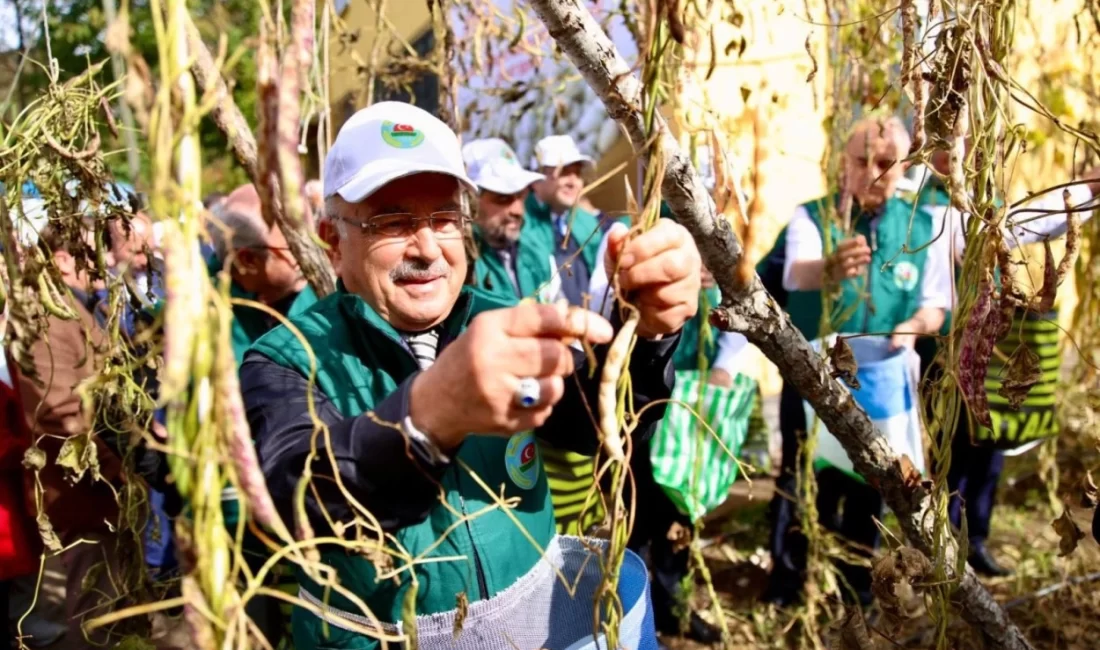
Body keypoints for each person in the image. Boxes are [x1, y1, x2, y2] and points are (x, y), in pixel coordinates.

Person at [240, 101, 702, 649]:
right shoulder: (285, 357)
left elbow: (596, 428)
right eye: (392, 222)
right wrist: (424, 419)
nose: (428, 248)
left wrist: (645, 335)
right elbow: (293, 495)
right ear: (333, 241)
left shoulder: (497, 315)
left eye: (443, 219)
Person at [761, 116, 950, 607]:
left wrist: (911, 330)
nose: (873, 171)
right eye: (861, 160)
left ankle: (853, 589)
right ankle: (787, 587)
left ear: (903, 167)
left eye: (886, 163)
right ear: (843, 163)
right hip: (813, 377)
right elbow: (798, 275)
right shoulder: (813, 217)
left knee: (871, 482)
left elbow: (935, 303)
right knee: (802, 480)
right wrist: (829, 267)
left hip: (883, 381)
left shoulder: (923, 225)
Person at [913, 152, 1100, 576]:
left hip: (986, 343)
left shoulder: (985, 202)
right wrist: (1085, 189)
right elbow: (1017, 225)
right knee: (955, 445)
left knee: (989, 443)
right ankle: (943, 542)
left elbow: (1026, 224)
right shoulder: (926, 208)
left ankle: (973, 539)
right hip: (945, 347)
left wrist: (1085, 192)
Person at [16, 225, 128, 645]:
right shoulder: (43, 314)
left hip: (95, 497)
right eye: (93, 252)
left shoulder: (72, 306)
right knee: (88, 614)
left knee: (104, 607)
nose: (106, 262)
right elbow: (59, 414)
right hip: (78, 498)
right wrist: (120, 466)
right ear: (62, 260)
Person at [207, 183, 319, 362]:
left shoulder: (326, 296)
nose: (309, 253)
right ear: (248, 260)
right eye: (294, 247)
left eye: (312, 239)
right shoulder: (204, 312)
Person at [525, 134, 606, 306]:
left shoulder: (586, 223)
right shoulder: (521, 225)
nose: (573, 182)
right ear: (536, 180)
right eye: (564, 173)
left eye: (577, 174)